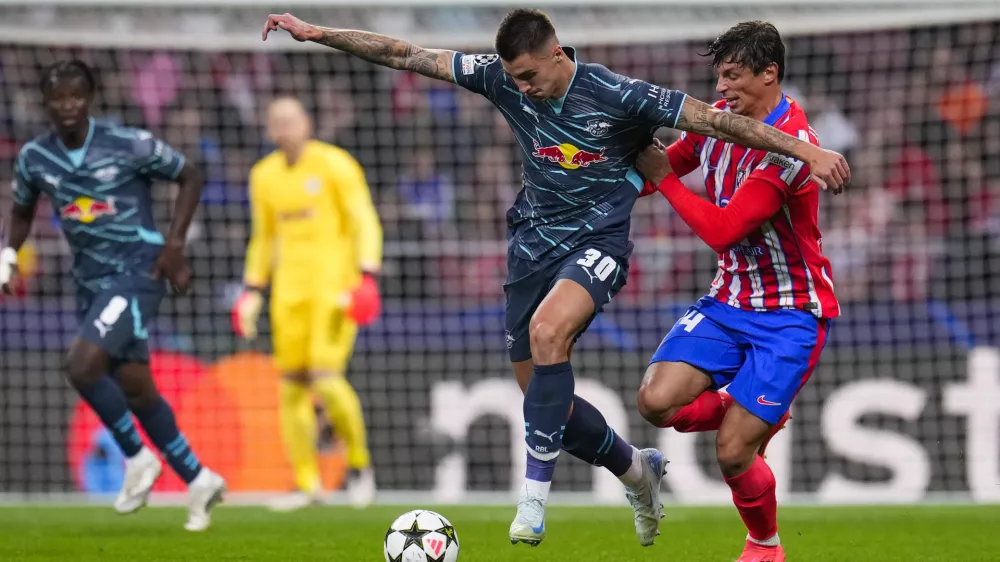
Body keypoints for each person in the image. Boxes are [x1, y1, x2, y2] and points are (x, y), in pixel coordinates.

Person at [261, 8, 850, 547]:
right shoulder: (499, 78)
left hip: (659, 264)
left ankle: (539, 501)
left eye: (528, 75)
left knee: (558, 339)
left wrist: (805, 152)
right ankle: (636, 470)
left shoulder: (625, 95)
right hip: (542, 249)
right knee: (570, 401)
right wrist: (318, 33)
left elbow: (714, 164)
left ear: (557, 53)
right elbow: (405, 53)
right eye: (512, 77)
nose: (521, 87)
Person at [634, 21, 840, 562]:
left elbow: (724, 229)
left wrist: (665, 179)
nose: (721, 88)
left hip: (791, 313)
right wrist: (605, 176)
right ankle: (739, 403)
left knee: (731, 451)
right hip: (728, 300)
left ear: (769, 73)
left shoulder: (793, 147)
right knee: (655, 401)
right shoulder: (718, 121)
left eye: (732, 76)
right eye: (719, 77)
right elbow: (663, 167)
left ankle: (765, 545)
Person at [0, 60, 226, 531]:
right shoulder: (35, 158)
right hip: (89, 282)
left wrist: (175, 245)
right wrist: (8, 254)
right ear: (45, 102)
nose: (67, 105)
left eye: (76, 96)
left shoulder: (128, 143)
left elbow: (190, 175)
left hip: (139, 270)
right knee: (137, 388)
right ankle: (199, 478)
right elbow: (22, 211)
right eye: (58, 98)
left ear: (91, 99)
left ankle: (137, 458)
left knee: (82, 366)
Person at [231, 97, 383, 511]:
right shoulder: (263, 175)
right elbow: (263, 238)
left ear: (307, 123)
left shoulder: (334, 164)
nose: (284, 127)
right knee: (291, 386)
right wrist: (252, 290)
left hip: (333, 291)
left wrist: (368, 274)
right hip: (288, 294)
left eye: (291, 120)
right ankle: (306, 484)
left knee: (326, 378)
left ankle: (359, 466)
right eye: (276, 121)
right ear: (268, 129)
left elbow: (363, 218)